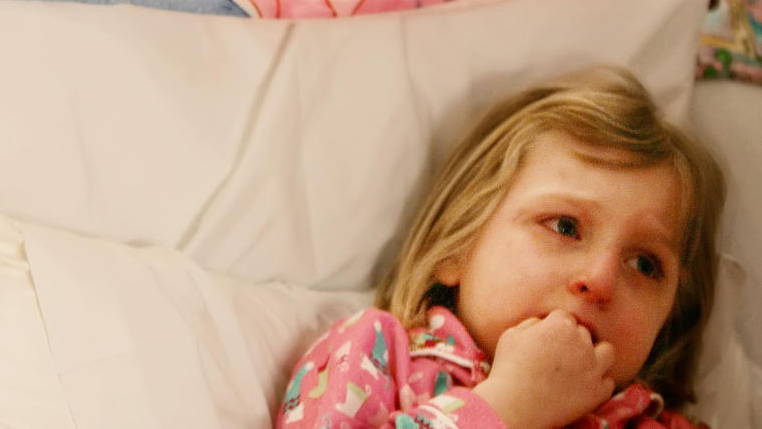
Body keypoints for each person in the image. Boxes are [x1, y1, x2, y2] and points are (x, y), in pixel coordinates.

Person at [277, 66, 724, 428]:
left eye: (645, 264)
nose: (601, 278)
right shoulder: (378, 354)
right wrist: (507, 406)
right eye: (565, 227)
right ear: (458, 245)